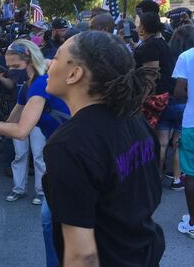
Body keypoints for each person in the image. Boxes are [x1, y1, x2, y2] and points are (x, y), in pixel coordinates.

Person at [42, 31, 165, 266]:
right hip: (143, 253)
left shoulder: (68, 146)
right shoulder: (134, 118)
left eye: (56, 57)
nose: (49, 62)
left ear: (74, 74)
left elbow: (82, 255)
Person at [0, 39, 70, 267]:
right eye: (10, 68)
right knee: (50, 221)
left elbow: (21, 131)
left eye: (17, 68)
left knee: (54, 223)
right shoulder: (28, 86)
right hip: (61, 154)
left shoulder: (41, 84)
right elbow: (10, 123)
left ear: (30, 60)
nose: (12, 72)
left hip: (71, 155)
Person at [135, 12, 176, 165]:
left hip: (153, 97)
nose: (138, 27)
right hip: (161, 94)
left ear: (144, 28)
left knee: (145, 136)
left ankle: (148, 170)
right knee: (157, 139)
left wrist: (142, 99)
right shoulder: (157, 42)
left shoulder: (151, 45)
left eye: (139, 24)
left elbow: (150, 74)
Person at [173, 27, 194, 239]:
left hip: (192, 123)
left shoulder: (186, 57)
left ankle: (193, 223)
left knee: (191, 174)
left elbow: (179, 93)